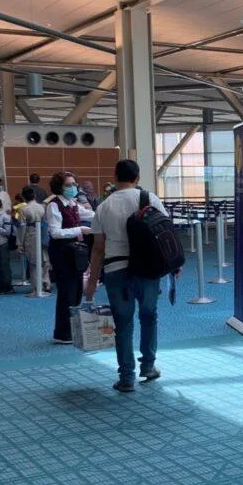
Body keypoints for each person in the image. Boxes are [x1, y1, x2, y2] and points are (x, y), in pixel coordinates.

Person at [85, 159, 168, 392]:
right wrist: (172, 265)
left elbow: (98, 248)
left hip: (116, 270)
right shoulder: (150, 199)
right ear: (137, 178)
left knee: (123, 323)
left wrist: (92, 281)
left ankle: (126, 378)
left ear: (115, 178)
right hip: (148, 269)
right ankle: (148, 366)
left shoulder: (104, 206)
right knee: (149, 316)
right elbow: (165, 232)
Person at [47, 171, 93, 344]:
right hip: (61, 252)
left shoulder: (73, 203)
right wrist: (79, 229)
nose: (72, 187)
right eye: (68, 185)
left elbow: (90, 215)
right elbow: (55, 232)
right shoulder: (54, 205)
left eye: (74, 184)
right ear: (59, 187)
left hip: (74, 251)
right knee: (66, 291)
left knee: (76, 290)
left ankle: (72, 329)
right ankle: (62, 333)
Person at [18, 186, 50, 293]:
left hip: (31, 236)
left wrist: (20, 243)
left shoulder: (23, 209)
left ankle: (37, 286)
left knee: (33, 263)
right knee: (45, 260)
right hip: (43, 234)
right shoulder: (42, 207)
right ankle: (46, 283)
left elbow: (22, 228)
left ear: (23, 197)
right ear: (34, 195)